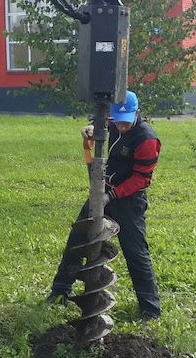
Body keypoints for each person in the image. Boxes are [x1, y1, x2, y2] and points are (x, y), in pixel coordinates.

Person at [46, 91, 162, 321]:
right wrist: (90, 131)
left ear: (137, 114)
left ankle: (151, 310)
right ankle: (59, 293)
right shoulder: (112, 123)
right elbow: (100, 128)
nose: (121, 126)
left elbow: (142, 179)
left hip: (129, 200)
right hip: (103, 191)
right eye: (117, 120)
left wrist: (112, 196)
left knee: (136, 253)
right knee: (76, 240)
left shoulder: (147, 139)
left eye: (126, 122)